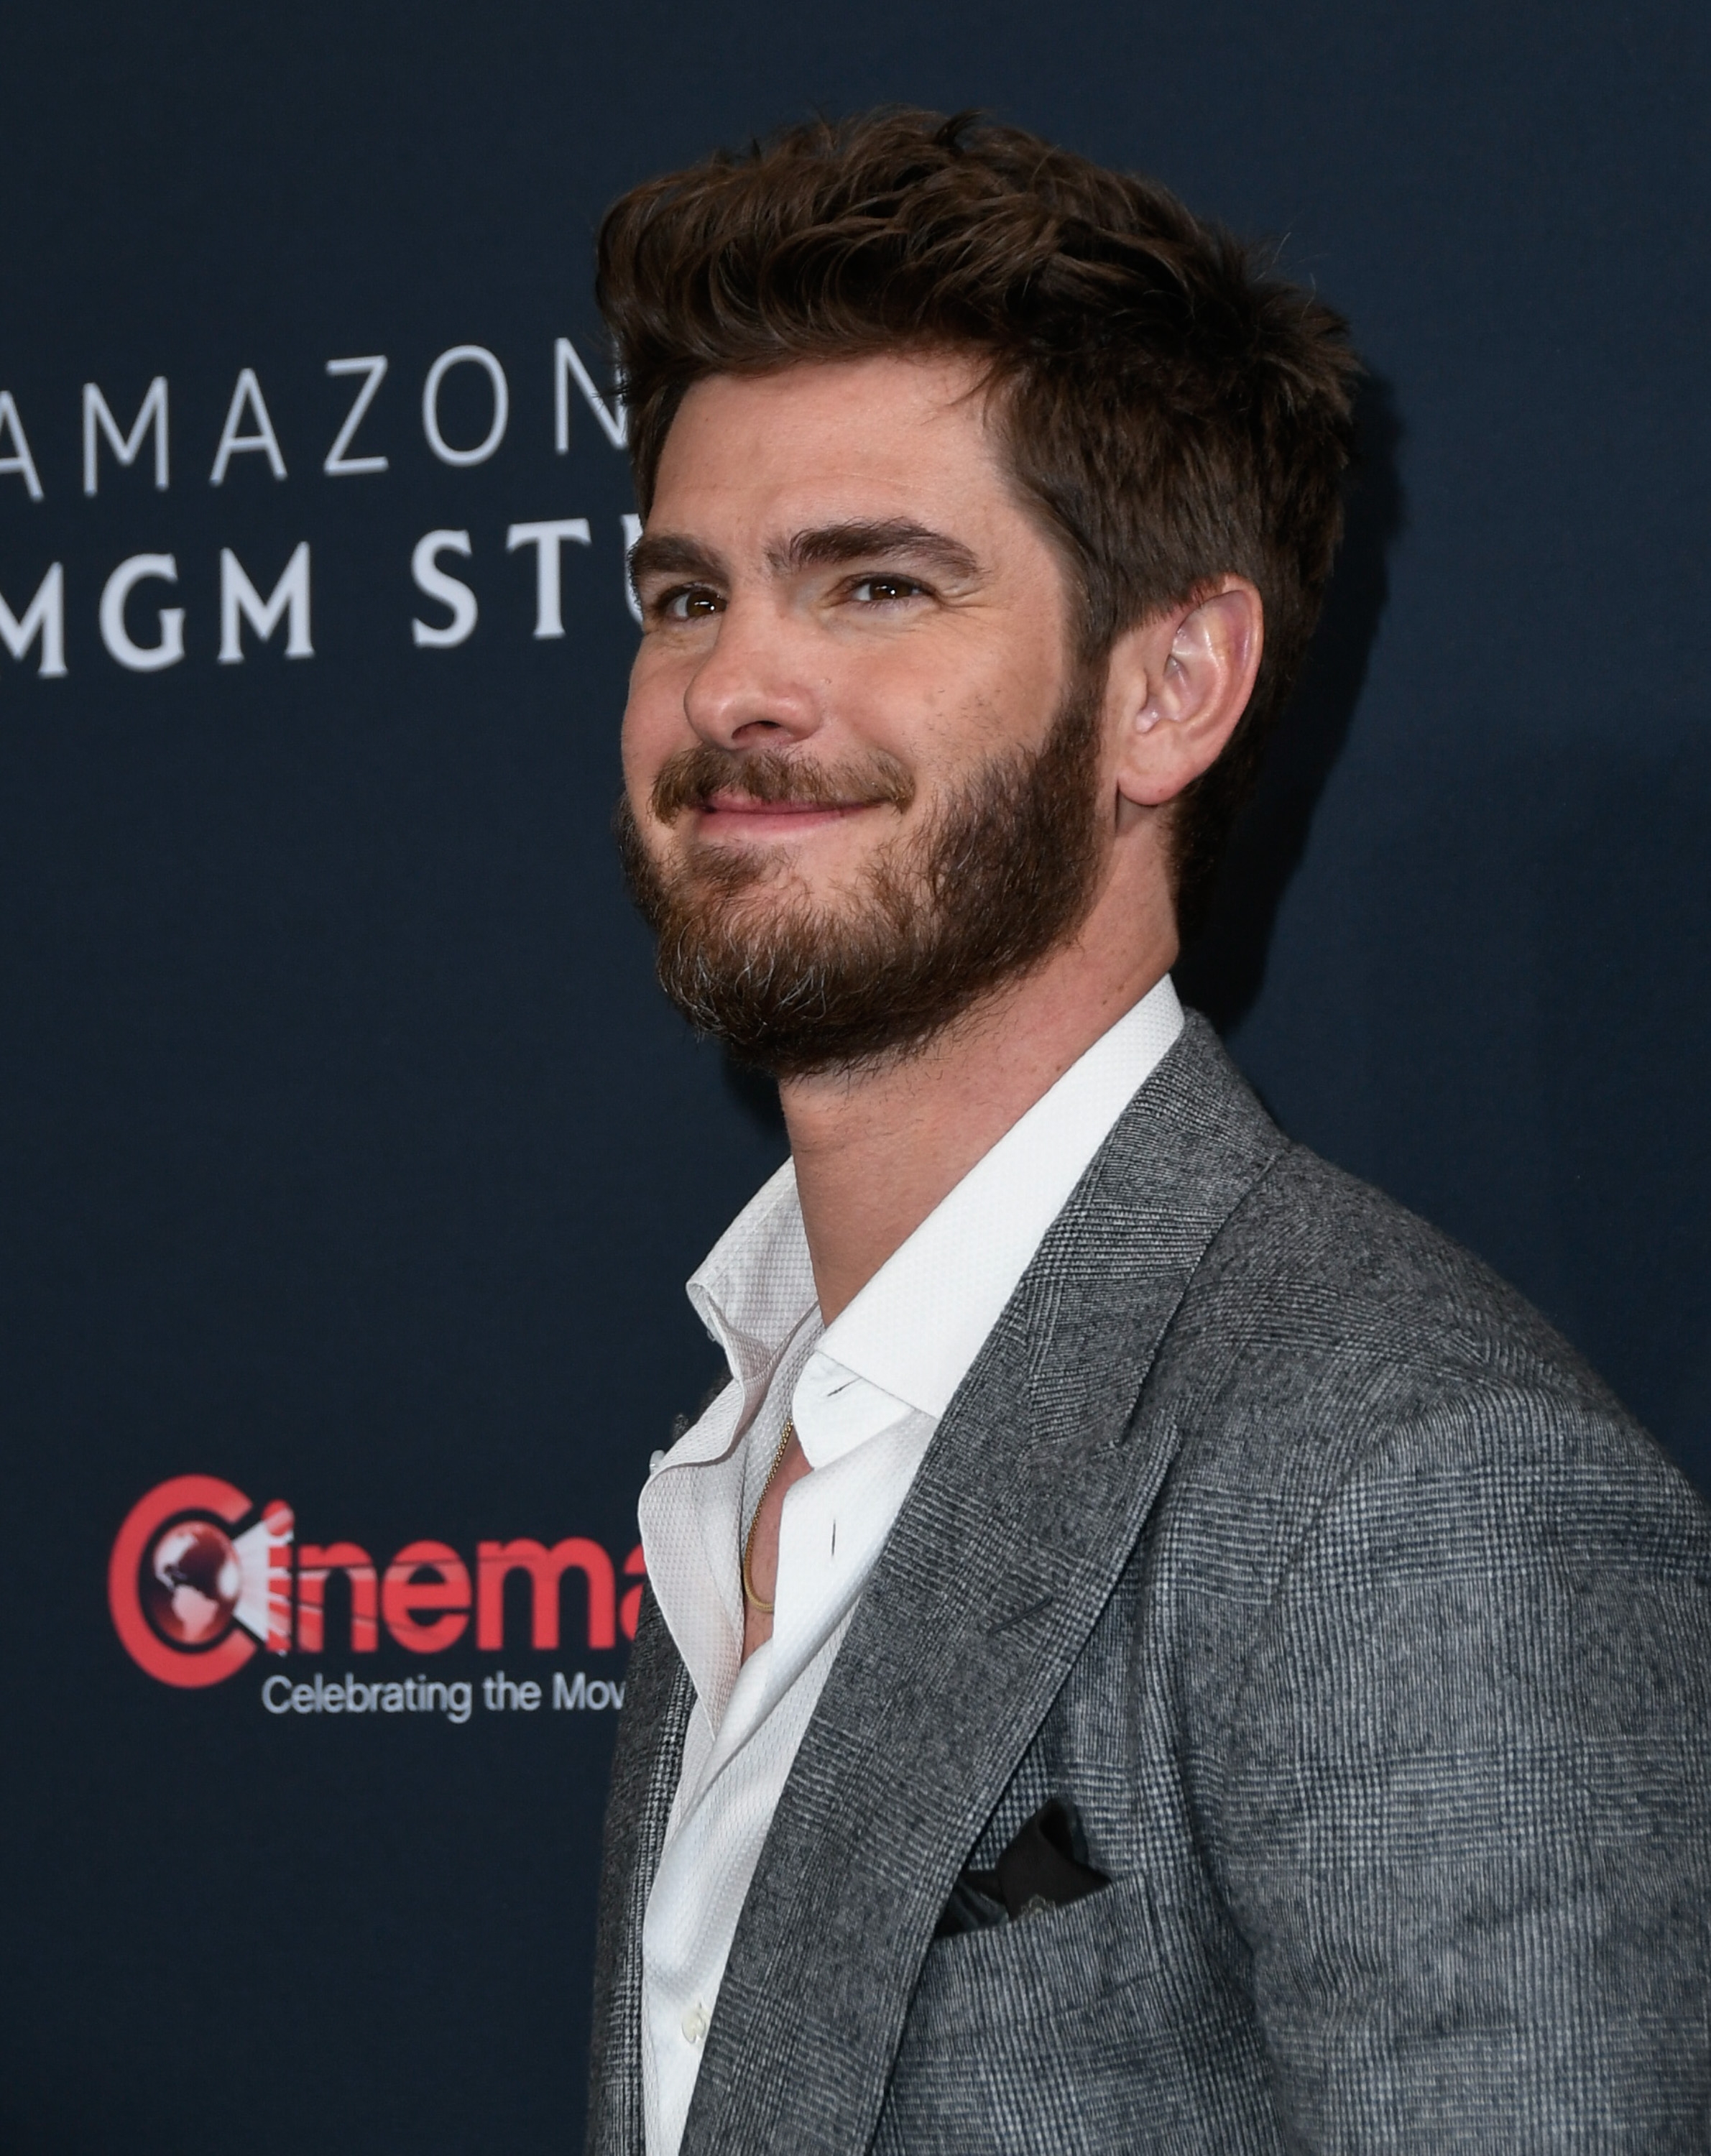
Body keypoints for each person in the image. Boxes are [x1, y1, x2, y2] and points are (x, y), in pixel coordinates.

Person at [584, 109, 1711, 2156]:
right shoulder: (751, 1435)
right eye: (686, 598)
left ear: (1172, 687)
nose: (736, 684)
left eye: (873, 585)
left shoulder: (1411, 1486)